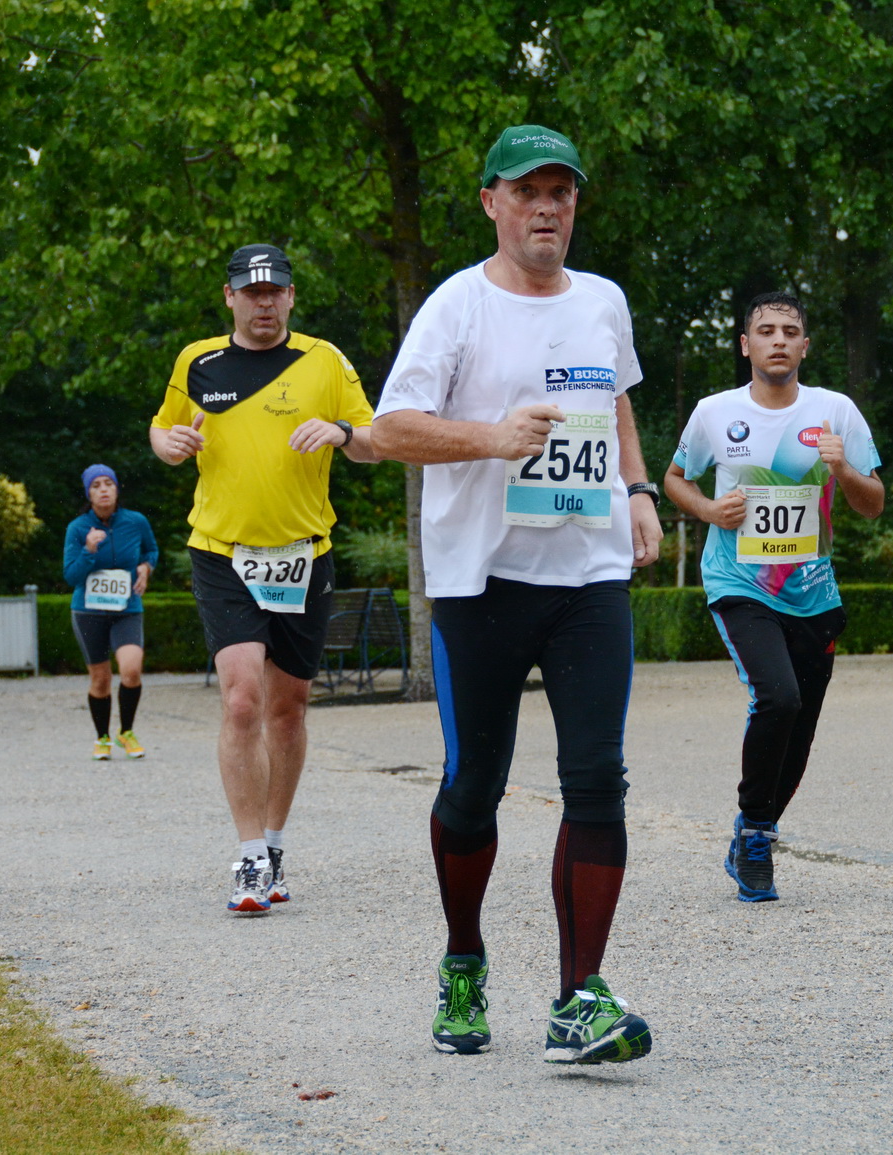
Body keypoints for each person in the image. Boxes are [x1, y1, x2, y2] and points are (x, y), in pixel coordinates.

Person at [372, 124, 662, 1065]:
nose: (547, 208)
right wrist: (491, 439)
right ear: (491, 200)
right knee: (473, 787)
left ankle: (579, 999)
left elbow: (615, 401)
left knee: (597, 781)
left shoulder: (604, 301)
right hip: (481, 580)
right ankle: (464, 958)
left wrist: (641, 491)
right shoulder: (456, 306)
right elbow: (392, 427)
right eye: (527, 190)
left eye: (562, 192)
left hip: (588, 574)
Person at [149, 242, 379, 916]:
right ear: (229, 297)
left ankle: (274, 843)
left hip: (304, 555)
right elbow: (162, 432)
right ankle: (248, 860)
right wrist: (167, 445)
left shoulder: (324, 360)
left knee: (288, 706)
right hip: (222, 552)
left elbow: (375, 438)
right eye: (251, 293)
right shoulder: (198, 361)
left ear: (291, 295)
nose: (264, 303)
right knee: (243, 698)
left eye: (275, 291)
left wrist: (339, 431)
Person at [664, 291, 884, 902]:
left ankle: (753, 832)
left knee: (802, 727)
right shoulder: (714, 413)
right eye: (766, 330)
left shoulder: (835, 411)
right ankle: (757, 833)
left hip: (814, 594)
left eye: (791, 331)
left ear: (805, 346)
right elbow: (673, 479)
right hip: (741, 584)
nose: (779, 340)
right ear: (746, 345)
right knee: (779, 698)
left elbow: (873, 503)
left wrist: (842, 471)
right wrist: (710, 509)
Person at [62, 464, 159, 761]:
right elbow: (71, 576)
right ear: (88, 493)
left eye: (108, 484)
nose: (103, 489)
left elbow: (151, 550)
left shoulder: (136, 521)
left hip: (127, 608)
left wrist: (146, 567)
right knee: (101, 679)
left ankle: (126, 732)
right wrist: (89, 550)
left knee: (130, 670)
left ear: (117, 489)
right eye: (96, 486)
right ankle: (102, 737)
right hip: (88, 611)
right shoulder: (78, 528)